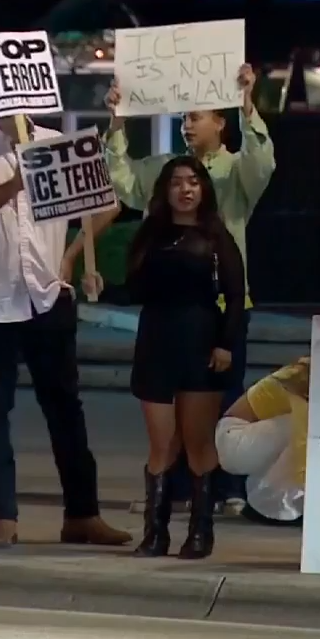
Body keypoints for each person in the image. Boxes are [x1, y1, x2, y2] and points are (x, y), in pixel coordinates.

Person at [0, 114, 130, 548]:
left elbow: (106, 204)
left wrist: (73, 256)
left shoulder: (58, 144)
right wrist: (11, 187)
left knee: (65, 407)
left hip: (46, 292)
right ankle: (2, 513)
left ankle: (83, 514)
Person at [102, 64, 275, 513]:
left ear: (220, 122)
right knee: (172, 398)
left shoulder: (237, 171)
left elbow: (264, 163)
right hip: (170, 307)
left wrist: (247, 104)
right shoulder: (165, 171)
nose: (187, 125)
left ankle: (226, 489)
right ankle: (176, 489)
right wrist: (117, 124)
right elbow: (122, 181)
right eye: (183, 118)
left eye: (196, 116)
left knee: (225, 397)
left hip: (222, 304)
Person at [125, 156, 246, 559]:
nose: (185, 189)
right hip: (155, 341)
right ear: (165, 190)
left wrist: (225, 344)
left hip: (200, 340)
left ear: (204, 189)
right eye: (177, 182)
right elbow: (133, 289)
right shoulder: (149, 235)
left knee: (198, 443)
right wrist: (98, 285)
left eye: (193, 181)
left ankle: (200, 531)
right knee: (161, 444)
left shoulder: (216, 237)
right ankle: (155, 533)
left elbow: (234, 296)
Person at [215, 358, 311, 526]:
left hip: (254, 436)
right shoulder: (302, 378)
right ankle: (273, 504)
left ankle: (271, 500)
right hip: (234, 437)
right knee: (311, 426)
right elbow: (303, 439)